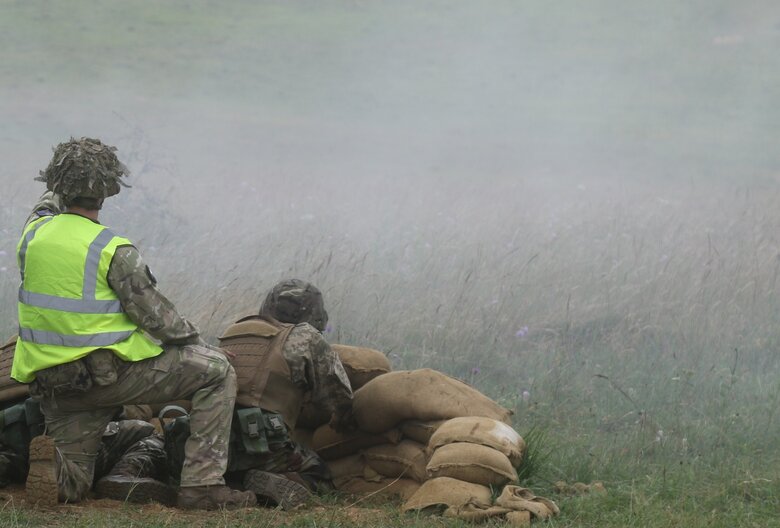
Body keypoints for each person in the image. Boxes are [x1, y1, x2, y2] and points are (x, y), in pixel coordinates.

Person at [12, 137, 255, 509]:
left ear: (57, 184)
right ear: (108, 191)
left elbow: (46, 203)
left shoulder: (33, 234)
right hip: (110, 378)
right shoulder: (112, 249)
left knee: (73, 484)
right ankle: (202, 486)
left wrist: (61, 180)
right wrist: (200, 343)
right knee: (217, 371)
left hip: (56, 385)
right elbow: (161, 322)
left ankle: (56, 475)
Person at [101, 279, 354, 509]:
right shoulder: (307, 337)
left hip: (202, 439)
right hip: (262, 445)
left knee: (158, 442)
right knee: (318, 473)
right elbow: (339, 397)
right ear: (315, 314)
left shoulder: (235, 331)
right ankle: (257, 483)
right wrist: (339, 420)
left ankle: (131, 470)